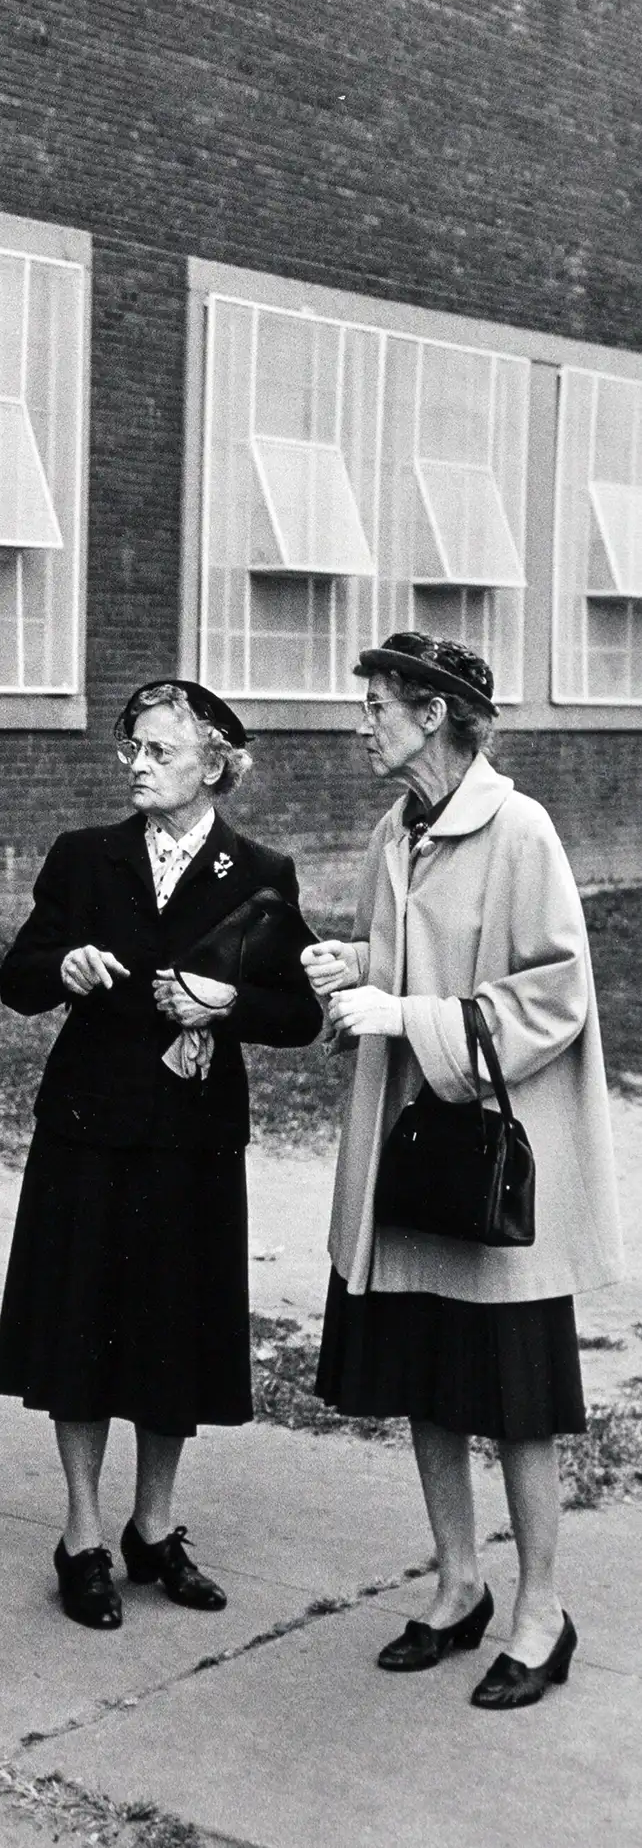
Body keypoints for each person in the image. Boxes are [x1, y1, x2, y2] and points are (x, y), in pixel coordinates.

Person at [302, 633, 624, 1709]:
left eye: (376, 705)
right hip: (408, 1161)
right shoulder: (395, 828)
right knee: (421, 1386)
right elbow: (396, 959)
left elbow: (553, 992)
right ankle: (456, 1587)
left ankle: (541, 1614)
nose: (362, 722)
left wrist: (406, 1013)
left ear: (432, 714)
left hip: (492, 1168)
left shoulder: (518, 828)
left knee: (515, 1401)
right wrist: (346, 967)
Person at [0, 679, 321, 1629]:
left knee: (175, 1334)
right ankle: (83, 1536)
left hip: (193, 1141)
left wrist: (229, 1006)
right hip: (90, 1130)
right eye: (131, 747)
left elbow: (299, 1013)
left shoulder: (260, 872)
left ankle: (155, 1526)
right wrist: (64, 967)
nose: (136, 764)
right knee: (81, 1327)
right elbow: (17, 977)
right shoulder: (85, 858)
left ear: (212, 764)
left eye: (158, 751)